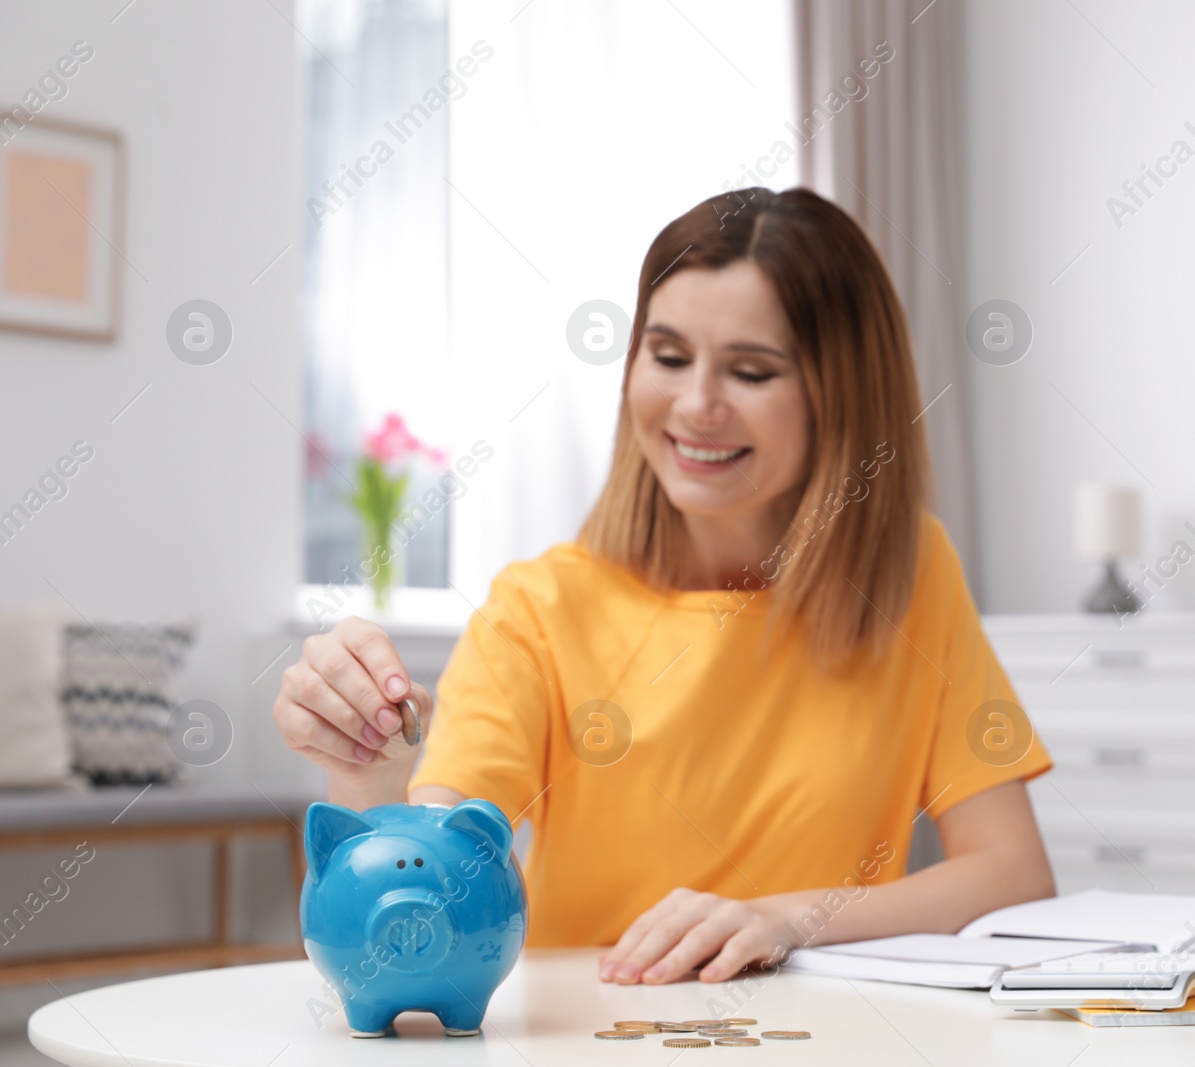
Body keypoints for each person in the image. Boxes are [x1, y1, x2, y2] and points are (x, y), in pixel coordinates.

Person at [273, 186, 1055, 988]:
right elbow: (432, 881)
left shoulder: (909, 574)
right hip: (592, 1037)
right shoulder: (540, 609)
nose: (696, 405)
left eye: (751, 371)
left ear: (843, 396)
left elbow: (1011, 871)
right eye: (669, 356)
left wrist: (785, 918)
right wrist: (368, 773)